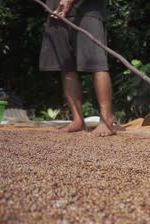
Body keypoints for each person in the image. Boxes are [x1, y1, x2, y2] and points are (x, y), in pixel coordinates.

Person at [39, 0, 115, 136]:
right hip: (56, 12)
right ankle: (77, 120)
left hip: (87, 12)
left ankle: (106, 119)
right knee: (66, 67)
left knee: (97, 64)